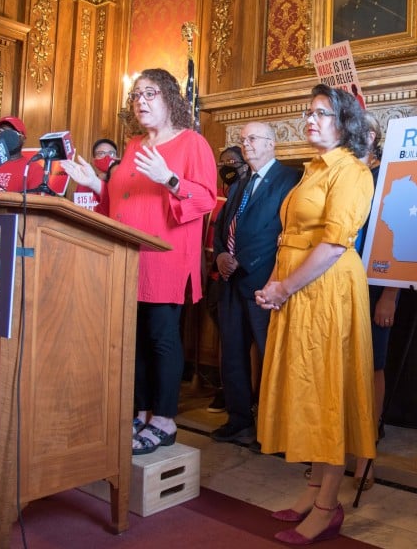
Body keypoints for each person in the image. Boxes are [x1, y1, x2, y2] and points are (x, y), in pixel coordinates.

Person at [61, 68, 217, 455]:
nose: (141, 101)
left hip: (165, 257)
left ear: (169, 99)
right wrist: (94, 183)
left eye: (151, 94)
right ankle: (143, 411)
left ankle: (164, 419)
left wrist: (170, 179)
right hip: (130, 259)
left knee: (162, 338)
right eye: (136, 95)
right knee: (136, 340)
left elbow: (204, 200)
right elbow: (123, 197)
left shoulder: (191, 143)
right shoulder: (133, 146)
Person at [255, 84, 375, 544]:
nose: (311, 120)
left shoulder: (352, 171)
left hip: (326, 290)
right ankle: (312, 491)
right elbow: (291, 237)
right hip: (297, 286)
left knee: (327, 392)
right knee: (308, 388)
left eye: (322, 113)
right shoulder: (312, 170)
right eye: (309, 112)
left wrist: (283, 286)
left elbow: (331, 243)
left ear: (345, 123)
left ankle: (328, 506)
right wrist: (275, 284)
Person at [210, 122, 299, 444]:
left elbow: (282, 231)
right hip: (231, 283)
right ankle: (238, 419)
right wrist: (221, 255)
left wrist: (245, 262)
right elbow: (223, 227)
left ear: (272, 144)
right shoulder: (239, 183)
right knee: (231, 354)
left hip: (265, 283)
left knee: (271, 356)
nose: (245, 145)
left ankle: (275, 430)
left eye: (252, 139)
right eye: (242, 139)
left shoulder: (290, 179)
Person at [352, 110, 398, 490]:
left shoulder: (388, 174)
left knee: (372, 367)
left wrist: (389, 295)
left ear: (371, 135)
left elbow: (396, 235)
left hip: (374, 285)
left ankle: (368, 455)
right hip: (337, 284)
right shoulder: (345, 171)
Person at [206, 145, 250, 414]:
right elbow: (220, 232)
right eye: (223, 163)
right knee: (228, 337)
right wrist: (221, 256)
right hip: (219, 276)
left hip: (248, 274)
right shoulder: (226, 194)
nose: (228, 167)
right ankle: (229, 392)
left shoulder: (254, 188)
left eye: (234, 161)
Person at [73, 138, 119, 210]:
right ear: (94, 160)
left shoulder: (122, 184)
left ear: (117, 158)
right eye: (101, 153)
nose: (107, 157)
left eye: (111, 153)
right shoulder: (84, 184)